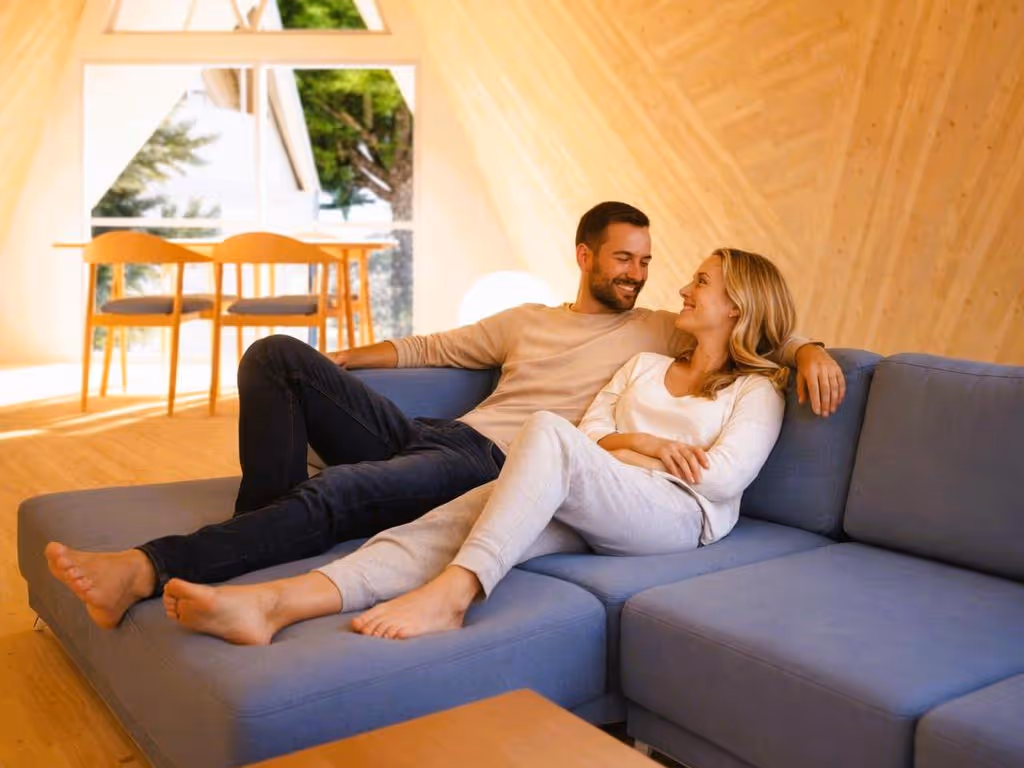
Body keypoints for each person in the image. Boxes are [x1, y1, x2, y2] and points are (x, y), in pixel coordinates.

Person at [45, 202, 844, 631]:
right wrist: (338, 364)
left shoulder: (657, 329)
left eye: (649, 260)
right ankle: (260, 535)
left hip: (501, 462)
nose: (643, 274)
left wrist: (806, 348)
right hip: (445, 440)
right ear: (585, 256)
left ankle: (154, 566)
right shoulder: (534, 320)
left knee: (335, 497)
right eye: (624, 258)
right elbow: (435, 344)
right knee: (277, 356)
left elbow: (752, 336)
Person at [158, 247, 796, 645]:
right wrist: (645, 441)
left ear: (738, 306)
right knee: (453, 521)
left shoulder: (757, 391)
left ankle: (453, 595)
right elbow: (594, 434)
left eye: (702, 282)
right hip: (601, 489)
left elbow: (717, 479)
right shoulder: (647, 366)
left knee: (544, 430)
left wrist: (640, 456)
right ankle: (275, 604)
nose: (683, 287)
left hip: (674, 515)